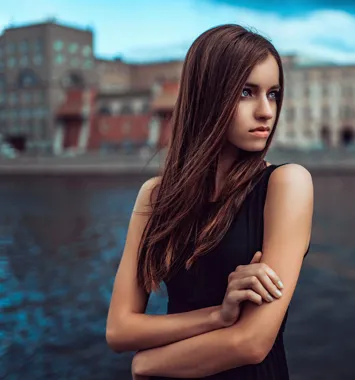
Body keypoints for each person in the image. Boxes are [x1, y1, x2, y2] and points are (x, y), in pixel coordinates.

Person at [105, 24, 313, 379]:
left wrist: (148, 363)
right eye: (247, 92)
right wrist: (219, 316)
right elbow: (120, 330)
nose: (266, 111)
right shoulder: (155, 197)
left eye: (273, 94)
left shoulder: (287, 184)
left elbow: (251, 343)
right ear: (207, 96)